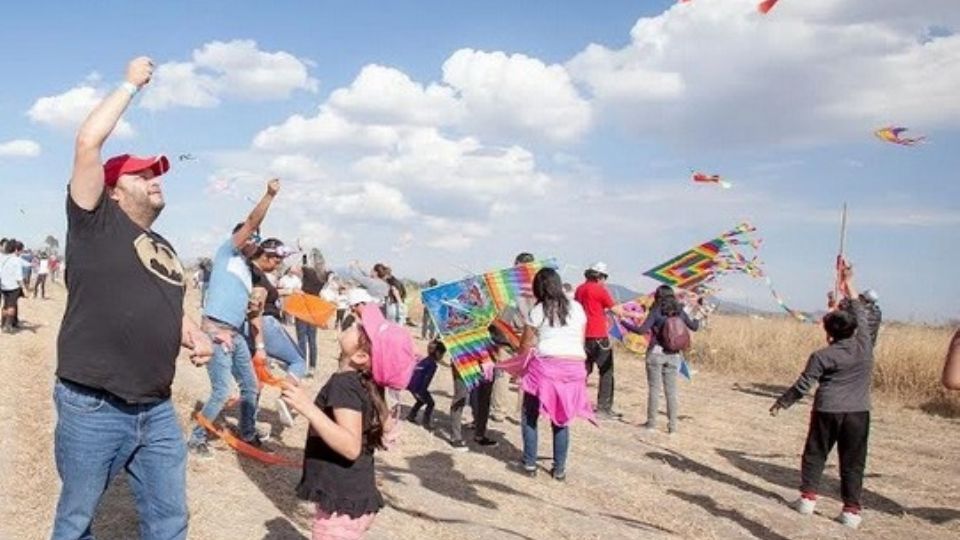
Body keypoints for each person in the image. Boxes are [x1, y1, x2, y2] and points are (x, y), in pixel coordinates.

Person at [52, 56, 213, 540]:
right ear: (113, 191)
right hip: (94, 404)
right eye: (142, 174)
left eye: (156, 172)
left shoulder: (165, 247)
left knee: (170, 520)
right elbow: (86, 142)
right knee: (77, 521)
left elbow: (167, 303)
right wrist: (129, 84)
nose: (155, 178)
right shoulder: (93, 221)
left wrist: (191, 331)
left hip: (157, 408)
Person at [769, 264, 873, 530]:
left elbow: (803, 385)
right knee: (852, 461)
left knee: (815, 454)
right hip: (858, 413)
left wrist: (783, 401)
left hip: (827, 409)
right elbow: (860, 312)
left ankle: (807, 498)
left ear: (828, 332)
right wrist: (848, 283)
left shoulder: (822, 356)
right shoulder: (865, 346)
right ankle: (851, 510)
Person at [187, 179, 281, 458]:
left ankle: (248, 434)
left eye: (256, 238)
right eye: (249, 236)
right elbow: (252, 221)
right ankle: (196, 439)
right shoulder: (227, 253)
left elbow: (257, 303)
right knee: (221, 390)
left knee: (251, 386)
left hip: (236, 334)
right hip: (216, 331)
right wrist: (269, 195)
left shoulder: (246, 268)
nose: (253, 239)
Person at [279, 305, 390, 539]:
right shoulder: (364, 381)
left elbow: (350, 447)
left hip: (341, 504)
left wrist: (307, 407)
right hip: (355, 494)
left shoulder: (344, 384)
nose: (354, 322)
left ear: (360, 356)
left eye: (360, 328)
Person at [515, 267, 594, 480]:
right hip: (574, 368)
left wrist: (520, 366)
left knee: (529, 414)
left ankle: (530, 463)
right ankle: (559, 469)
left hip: (547, 367)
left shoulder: (539, 310)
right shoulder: (577, 308)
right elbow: (580, 339)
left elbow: (525, 343)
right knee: (561, 417)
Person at [624, 285, 700, 434]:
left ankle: (651, 424)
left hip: (656, 353)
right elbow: (694, 327)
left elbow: (641, 330)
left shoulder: (656, 311)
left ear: (658, 296)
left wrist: (623, 322)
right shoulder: (679, 312)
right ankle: (672, 427)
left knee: (654, 390)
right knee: (671, 392)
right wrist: (697, 316)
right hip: (674, 355)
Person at [574, 262, 630, 419]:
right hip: (599, 335)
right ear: (600, 276)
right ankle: (604, 408)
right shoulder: (600, 290)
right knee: (606, 372)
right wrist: (636, 315)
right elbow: (616, 310)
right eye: (604, 277)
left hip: (583, 335)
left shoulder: (579, 289)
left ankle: (577, 403)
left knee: (583, 371)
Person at [406, 339, 446, 428]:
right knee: (431, 403)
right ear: (438, 353)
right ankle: (426, 422)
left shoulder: (425, 360)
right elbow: (427, 379)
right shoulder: (432, 365)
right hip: (419, 387)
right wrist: (422, 391)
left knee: (420, 401)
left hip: (411, 385)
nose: (442, 357)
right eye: (442, 354)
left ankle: (411, 415)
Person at [298, 254, 326, 376]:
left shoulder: (308, 272)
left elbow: (300, 266)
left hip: (303, 306)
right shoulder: (323, 276)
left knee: (302, 339)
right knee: (312, 339)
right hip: (314, 308)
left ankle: (302, 364)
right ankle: (312, 366)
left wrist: (303, 255)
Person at [1, 240, 26, 332]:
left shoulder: (3, 258)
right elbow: (19, 277)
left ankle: (3, 323)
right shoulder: (16, 260)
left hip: (4, 286)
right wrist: (24, 288)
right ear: (16, 250)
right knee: (12, 305)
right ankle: (8, 325)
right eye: (21, 250)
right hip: (13, 286)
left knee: (5, 305)